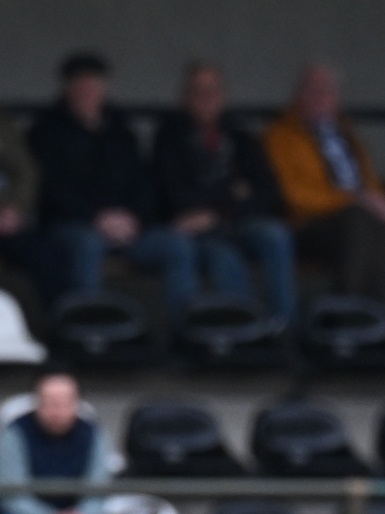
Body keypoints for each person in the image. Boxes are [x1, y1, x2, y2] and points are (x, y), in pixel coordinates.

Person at [30, 52, 198, 320]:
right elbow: (51, 190)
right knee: (87, 244)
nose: (88, 92)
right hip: (74, 226)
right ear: (67, 89)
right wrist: (96, 218)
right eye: (81, 86)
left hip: (127, 228)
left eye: (94, 86)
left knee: (176, 244)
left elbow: (144, 183)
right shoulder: (46, 132)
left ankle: (186, 329)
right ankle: (89, 329)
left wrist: (134, 219)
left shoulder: (121, 132)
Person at [152, 61, 296, 322]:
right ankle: (238, 332)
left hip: (237, 221)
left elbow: (268, 192)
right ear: (185, 98)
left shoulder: (241, 136)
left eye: (214, 91)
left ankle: (283, 327)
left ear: (224, 96)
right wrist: (234, 192)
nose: (207, 98)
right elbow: (175, 195)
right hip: (198, 231)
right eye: (199, 91)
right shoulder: (169, 137)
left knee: (276, 235)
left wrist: (219, 210)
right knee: (225, 258)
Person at [265, 63, 385, 301]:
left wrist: (382, 203)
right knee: (357, 220)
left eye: (328, 92)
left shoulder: (347, 135)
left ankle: (375, 314)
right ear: (299, 96)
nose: (321, 98)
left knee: (379, 223)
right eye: (314, 91)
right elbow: (293, 196)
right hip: (307, 224)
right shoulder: (280, 137)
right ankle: (347, 311)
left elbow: (369, 183)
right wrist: (353, 201)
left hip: (354, 221)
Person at [0, 368, 111, 514]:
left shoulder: (93, 434)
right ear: (37, 402)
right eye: (49, 403)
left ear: (77, 403)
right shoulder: (15, 433)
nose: (56, 411)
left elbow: (98, 488)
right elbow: (13, 495)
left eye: (64, 403)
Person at [0, 111, 62, 314]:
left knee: (45, 255)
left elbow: (26, 170)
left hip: (5, 222)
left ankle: (63, 325)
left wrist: (15, 207)